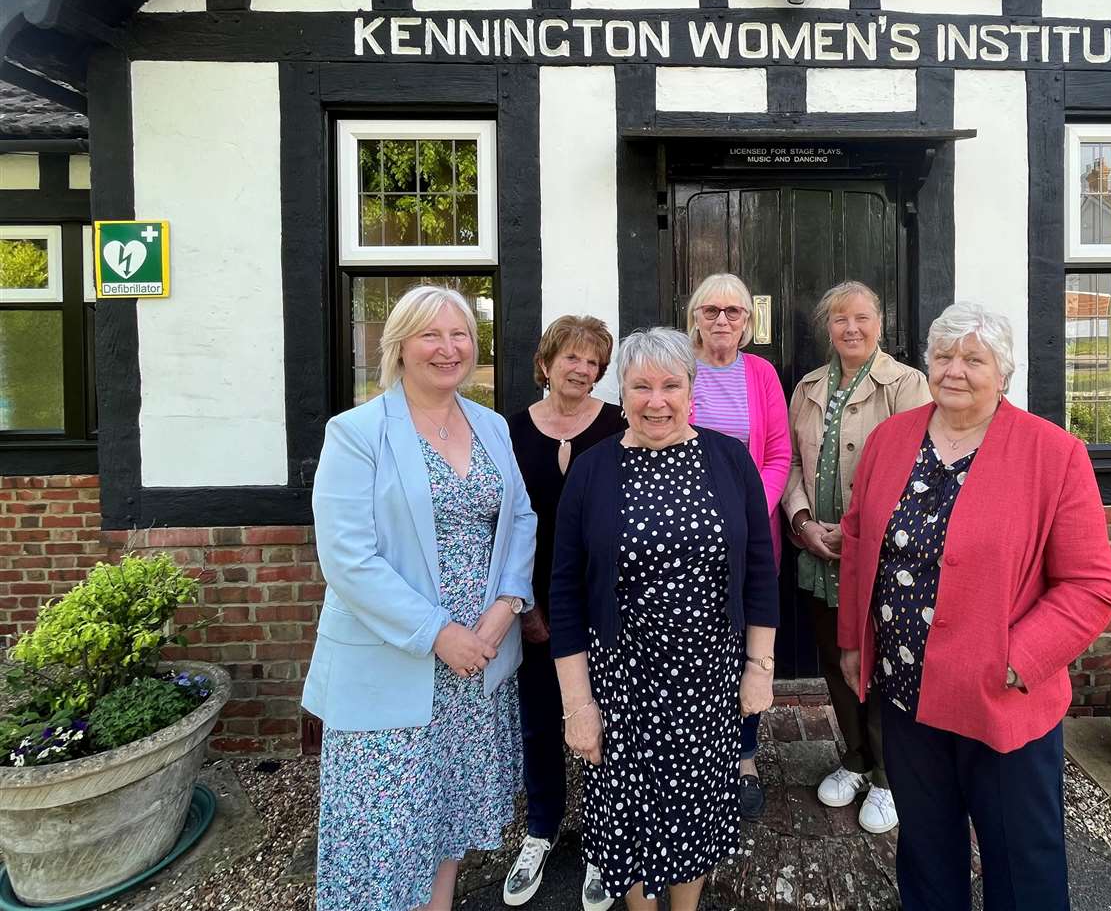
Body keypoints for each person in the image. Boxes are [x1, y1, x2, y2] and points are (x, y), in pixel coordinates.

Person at [837, 301, 1111, 911]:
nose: (954, 370)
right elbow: (860, 543)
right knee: (927, 851)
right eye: (943, 356)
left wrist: (1018, 661)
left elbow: (1091, 586)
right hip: (907, 693)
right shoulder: (891, 440)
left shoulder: (1054, 454)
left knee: (1021, 863)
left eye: (973, 358)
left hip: (1000, 699)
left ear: (1004, 372)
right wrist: (854, 641)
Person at [304, 285, 537, 911]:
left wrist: (505, 606)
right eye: (430, 335)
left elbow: (520, 519)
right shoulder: (355, 433)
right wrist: (440, 634)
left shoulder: (491, 425)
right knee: (380, 837)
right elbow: (348, 559)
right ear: (399, 346)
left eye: (459, 334)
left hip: (477, 664)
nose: (448, 348)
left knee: (446, 824)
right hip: (396, 662)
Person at [548, 327, 780, 911]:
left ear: (691, 389)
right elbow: (567, 595)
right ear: (620, 392)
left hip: (708, 680)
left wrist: (760, 667)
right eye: (641, 385)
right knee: (624, 817)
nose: (657, 400)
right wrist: (578, 707)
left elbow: (758, 571)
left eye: (671, 385)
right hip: (620, 683)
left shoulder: (729, 461)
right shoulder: (592, 471)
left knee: (694, 814)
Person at [782, 280, 928, 834]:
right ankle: (855, 759)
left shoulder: (907, 386)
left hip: (882, 558)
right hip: (818, 554)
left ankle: (891, 777)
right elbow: (792, 462)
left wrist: (858, 530)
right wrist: (800, 522)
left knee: (884, 664)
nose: (851, 328)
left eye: (862, 317)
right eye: (840, 319)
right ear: (827, 327)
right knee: (834, 663)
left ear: (880, 324)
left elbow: (916, 471)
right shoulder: (809, 387)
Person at [502, 316, 627, 909]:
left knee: (604, 723)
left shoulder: (619, 426)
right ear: (546, 362)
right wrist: (524, 603)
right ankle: (542, 828)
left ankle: (605, 842)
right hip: (535, 601)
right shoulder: (510, 432)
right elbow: (501, 528)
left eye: (592, 361)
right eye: (570, 358)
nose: (581, 369)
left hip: (607, 603)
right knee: (539, 722)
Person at [686, 272, 791, 819]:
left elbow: (778, 455)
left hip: (750, 539)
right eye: (712, 311)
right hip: (686, 541)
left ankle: (745, 754)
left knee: (750, 647)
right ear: (695, 317)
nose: (722, 321)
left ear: (748, 322)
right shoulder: (678, 370)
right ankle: (698, 752)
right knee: (697, 648)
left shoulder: (762, 374)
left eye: (734, 312)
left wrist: (750, 513)